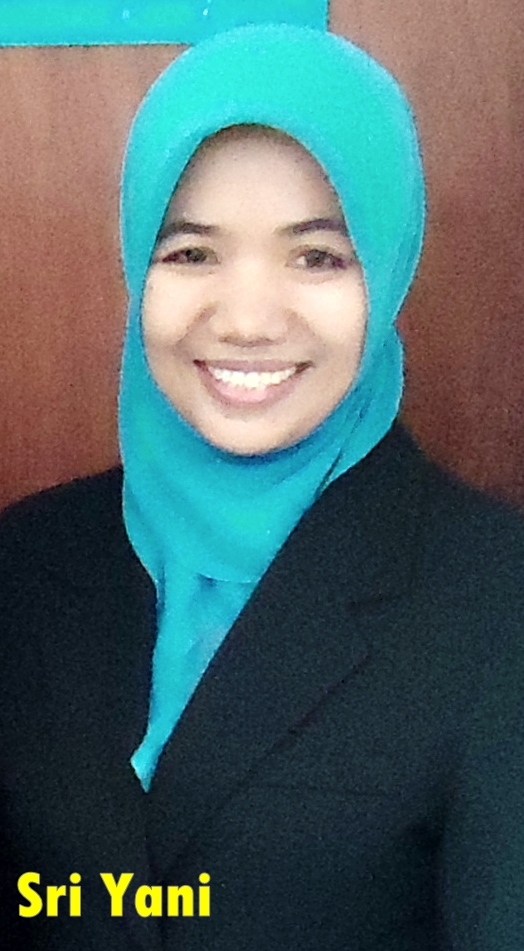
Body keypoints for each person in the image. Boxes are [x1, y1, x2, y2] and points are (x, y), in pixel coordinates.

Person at [2, 21, 524, 951]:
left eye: (317, 255)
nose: (246, 319)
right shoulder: (24, 561)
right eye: (191, 252)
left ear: (388, 268)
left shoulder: (495, 599)